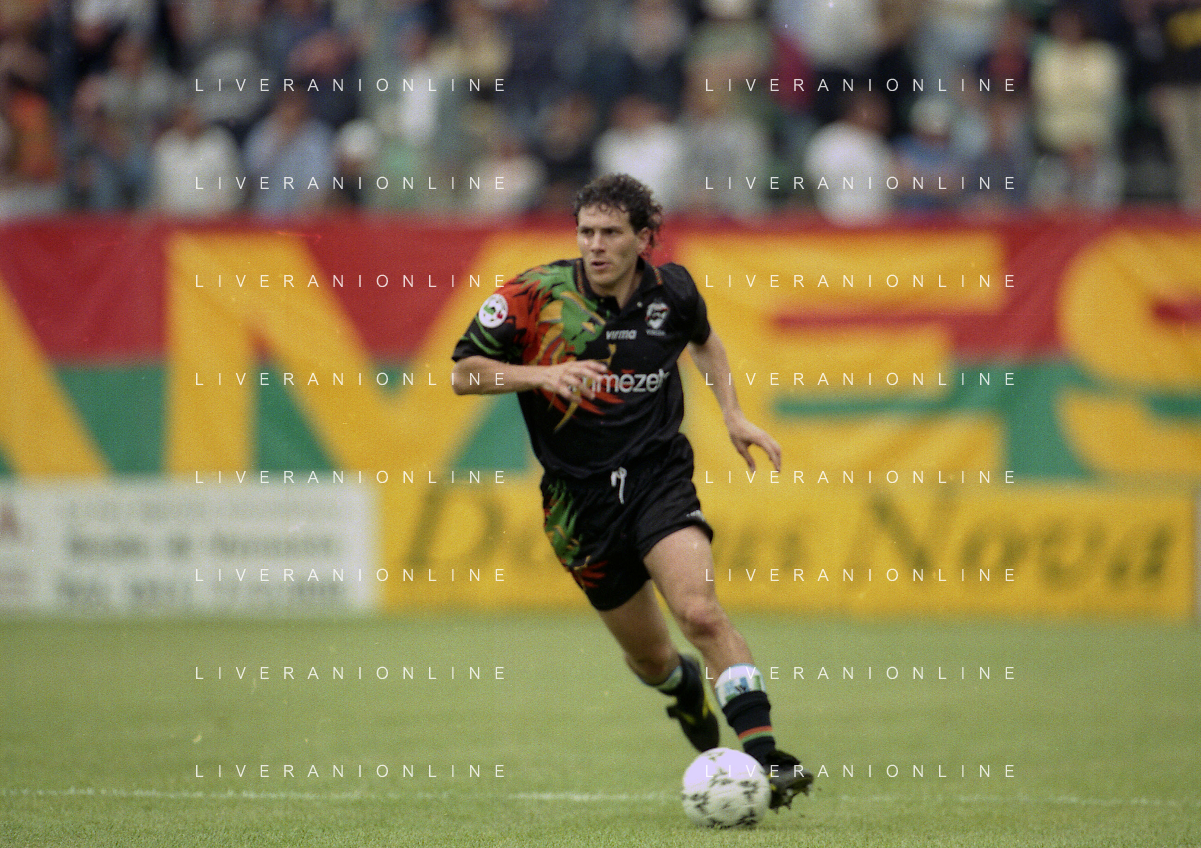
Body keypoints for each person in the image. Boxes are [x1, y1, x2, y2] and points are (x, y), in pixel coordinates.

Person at [450, 173, 813, 809]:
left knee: (699, 611)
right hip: (578, 506)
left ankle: (766, 759)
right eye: (586, 232)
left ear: (644, 239)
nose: (595, 245)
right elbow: (463, 373)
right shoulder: (533, 295)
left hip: (657, 477)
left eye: (611, 233)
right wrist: (542, 375)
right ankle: (682, 689)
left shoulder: (673, 292)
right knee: (652, 660)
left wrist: (732, 414)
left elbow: (705, 343)